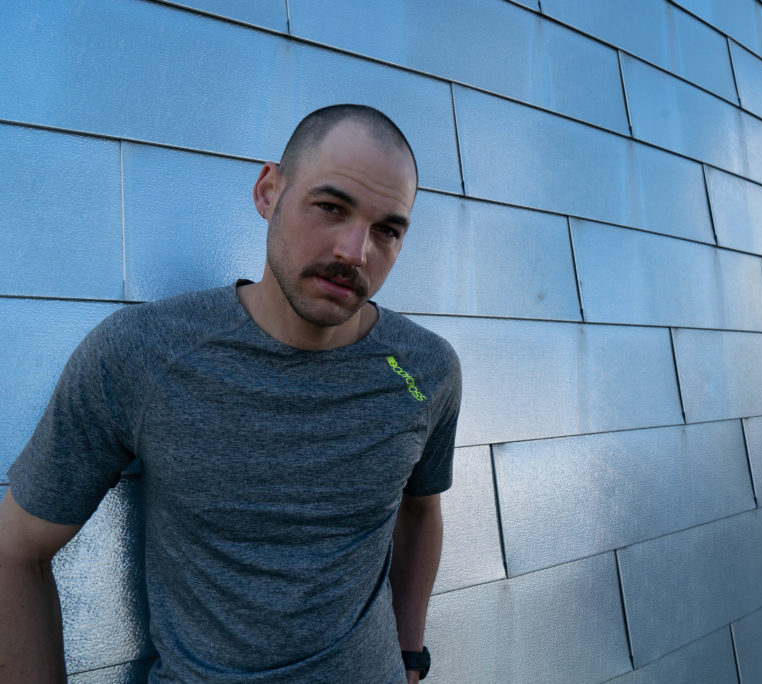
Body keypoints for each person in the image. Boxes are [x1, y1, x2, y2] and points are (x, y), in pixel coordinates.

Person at [0, 104, 461, 683]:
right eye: (330, 207)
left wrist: (410, 656)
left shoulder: (425, 370)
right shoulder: (144, 354)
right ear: (269, 192)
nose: (354, 251)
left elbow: (421, 509)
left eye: (387, 230)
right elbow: (16, 550)